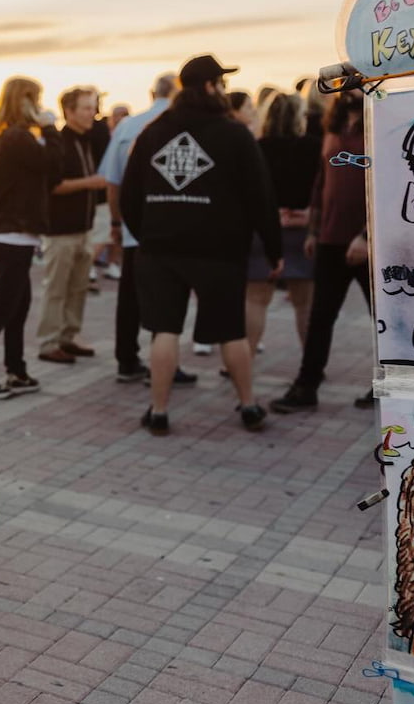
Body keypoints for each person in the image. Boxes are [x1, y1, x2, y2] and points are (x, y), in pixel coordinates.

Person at [120, 54, 281, 435]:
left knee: (164, 330)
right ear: (210, 87)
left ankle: (158, 412)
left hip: (161, 251)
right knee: (232, 331)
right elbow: (261, 196)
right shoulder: (233, 133)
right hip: (219, 251)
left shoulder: (153, 133)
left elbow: (128, 196)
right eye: (221, 83)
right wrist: (274, 249)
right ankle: (249, 406)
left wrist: (149, 234)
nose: (224, 90)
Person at [270, 88, 372, 413]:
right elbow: (320, 182)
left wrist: (367, 237)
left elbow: (390, 185)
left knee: (383, 321)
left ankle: (387, 386)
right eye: (347, 84)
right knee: (320, 317)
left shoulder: (377, 127)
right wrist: (314, 229)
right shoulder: (333, 130)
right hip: (330, 239)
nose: (351, 89)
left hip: (369, 245)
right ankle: (306, 386)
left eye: (358, 82)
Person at [0, 77, 60, 399]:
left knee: (18, 306)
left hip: (11, 235)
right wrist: (49, 128)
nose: (42, 107)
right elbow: (54, 165)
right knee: (4, 308)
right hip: (13, 236)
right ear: (26, 101)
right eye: (38, 100)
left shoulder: (3, 137)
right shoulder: (17, 137)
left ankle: (16, 370)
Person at [100, 71, 200, 387]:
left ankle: (127, 360)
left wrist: (117, 223)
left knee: (128, 299)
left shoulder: (128, 126)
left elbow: (112, 183)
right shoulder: (182, 126)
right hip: (172, 229)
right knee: (168, 300)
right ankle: (166, 364)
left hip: (134, 228)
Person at [37, 87, 106, 364]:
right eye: (87, 108)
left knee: (78, 287)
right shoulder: (61, 143)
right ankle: (48, 342)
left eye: (93, 107)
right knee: (57, 288)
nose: (93, 113)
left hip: (83, 227)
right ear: (70, 111)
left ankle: (69, 335)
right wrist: (90, 183)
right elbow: (53, 186)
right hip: (61, 230)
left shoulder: (86, 139)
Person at [247, 92, 318, 356]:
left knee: (256, 299)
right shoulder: (313, 146)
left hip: (264, 229)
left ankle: (245, 359)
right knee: (304, 303)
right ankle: (310, 363)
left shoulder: (257, 147)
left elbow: (249, 191)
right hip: (302, 229)